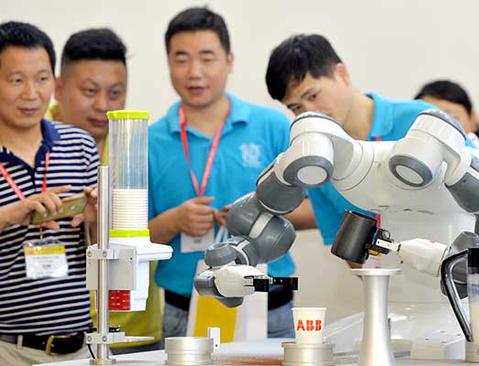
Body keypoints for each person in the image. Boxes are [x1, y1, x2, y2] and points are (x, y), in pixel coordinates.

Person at [148, 7, 315, 341]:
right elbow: (135, 237)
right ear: (168, 63)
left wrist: (259, 219)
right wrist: (173, 222)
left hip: (270, 303)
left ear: (229, 60)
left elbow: (318, 210)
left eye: (207, 58)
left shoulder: (273, 127)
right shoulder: (149, 141)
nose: (194, 71)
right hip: (184, 310)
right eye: (181, 59)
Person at [46, 28, 163, 353]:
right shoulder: (31, 142)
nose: (102, 105)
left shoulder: (137, 146)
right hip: (51, 334)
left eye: (115, 93)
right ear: (58, 87)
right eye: (89, 90)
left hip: (132, 331)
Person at [265, 34, 444, 247]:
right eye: (295, 108)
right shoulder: (317, 158)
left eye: (312, 96)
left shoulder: (420, 120)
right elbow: (347, 248)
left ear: (341, 73)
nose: (309, 111)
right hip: (382, 277)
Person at [0, 21, 99, 365]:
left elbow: (101, 248)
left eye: (42, 79)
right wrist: (12, 214)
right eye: (16, 80)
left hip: (80, 346)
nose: (31, 93)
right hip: (9, 348)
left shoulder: (80, 145)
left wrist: (97, 218)